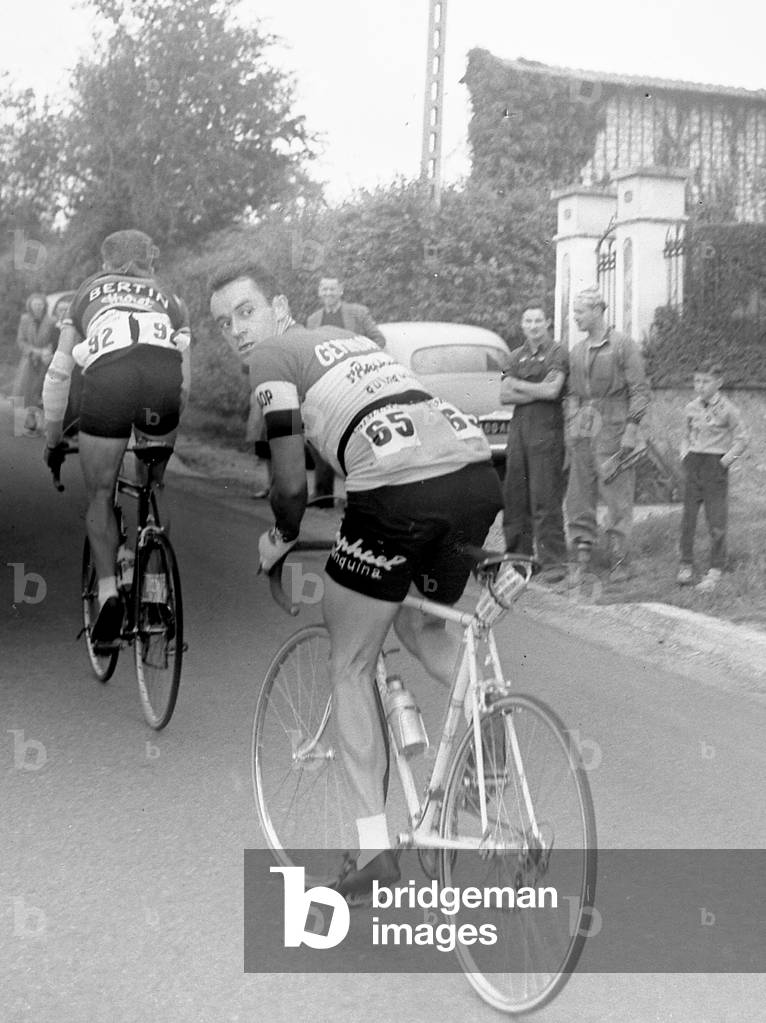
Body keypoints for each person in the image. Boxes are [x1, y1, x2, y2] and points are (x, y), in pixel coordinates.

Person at [209, 261, 502, 899]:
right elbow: (368, 434)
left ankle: (373, 853)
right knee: (418, 618)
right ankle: (488, 754)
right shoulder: (358, 345)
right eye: (224, 322)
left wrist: (281, 541)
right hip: (475, 475)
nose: (236, 330)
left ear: (281, 308)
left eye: (246, 311)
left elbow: (290, 482)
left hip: (399, 494)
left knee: (349, 661)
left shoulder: (273, 360)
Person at [43, 230, 191, 644]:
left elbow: (59, 372)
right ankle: (156, 597)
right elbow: (186, 385)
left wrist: (53, 439)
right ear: (150, 260)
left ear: (107, 262)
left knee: (101, 492)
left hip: (109, 377)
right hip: (163, 383)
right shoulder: (172, 299)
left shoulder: (88, 291)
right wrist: (164, 437)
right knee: (153, 487)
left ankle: (108, 591)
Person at [564, 287, 651, 583]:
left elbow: (639, 392)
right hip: (584, 425)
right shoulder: (576, 351)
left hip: (614, 423)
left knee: (616, 495)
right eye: (574, 312)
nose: (574, 318)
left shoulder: (623, 345)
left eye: (579, 312)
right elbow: (573, 393)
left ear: (597, 311)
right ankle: (582, 558)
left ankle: (619, 560)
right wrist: (572, 427)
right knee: (579, 493)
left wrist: (631, 429)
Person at [500, 304, 568, 579]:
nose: (534, 325)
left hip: (547, 429)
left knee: (545, 496)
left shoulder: (557, 352)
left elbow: (553, 391)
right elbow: (504, 395)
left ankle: (553, 562)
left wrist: (521, 386)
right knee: (515, 495)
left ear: (547, 323)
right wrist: (535, 390)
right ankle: (519, 560)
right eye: (529, 321)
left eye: (539, 320)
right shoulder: (514, 356)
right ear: (522, 325)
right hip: (519, 430)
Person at [306, 275, 386, 501]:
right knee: (319, 435)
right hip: (326, 386)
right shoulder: (313, 320)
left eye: (332, 289)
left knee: (354, 438)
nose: (328, 293)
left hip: (354, 384)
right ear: (319, 292)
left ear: (341, 290)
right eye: (324, 288)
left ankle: (359, 496)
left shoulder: (358, 313)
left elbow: (378, 339)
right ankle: (323, 495)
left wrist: (359, 358)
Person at [677, 360, 749, 592]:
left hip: (714, 465)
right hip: (694, 463)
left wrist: (725, 461)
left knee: (716, 520)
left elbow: (742, 439)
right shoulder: (691, 407)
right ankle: (685, 564)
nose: (700, 386)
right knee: (688, 518)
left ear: (719, 382)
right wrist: (684, 454)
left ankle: (716, 568)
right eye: (697, 381)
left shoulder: (729, 409)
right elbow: (685, 434)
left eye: (706, 381)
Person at [13, 292, 55, 436]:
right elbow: (21, 341)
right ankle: (29, 422)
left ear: (44, 306)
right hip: (29, 361)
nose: (38, 307)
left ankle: (42, 424)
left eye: (40, 304)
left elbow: (53, 340)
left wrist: (47, 352)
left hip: (45, 361)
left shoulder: (51, 321)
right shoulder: (24, 319)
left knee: (42, 391)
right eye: (35, 304)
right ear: (30, 305)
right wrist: (36, 351)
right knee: (26, 391)